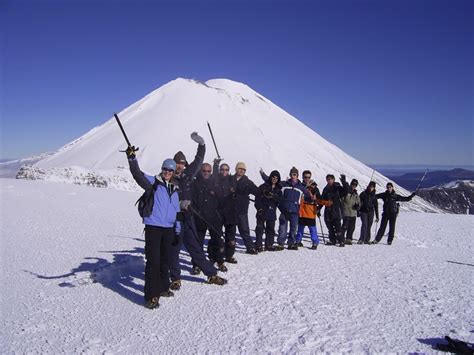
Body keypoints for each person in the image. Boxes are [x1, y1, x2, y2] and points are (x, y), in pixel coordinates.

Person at [126, 147, 180, 309]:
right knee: (153, 262)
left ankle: (163, 288)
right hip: (154, 228)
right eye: (165, 169)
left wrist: (177, 230)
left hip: (169, 229)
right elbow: (137, 174)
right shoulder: (153, 183)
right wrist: (132, 159)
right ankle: (151, 295)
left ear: (174, 172)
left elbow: (177, 212)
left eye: (170, 170)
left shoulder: (175, 189)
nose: (167, 172)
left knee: (165, 260)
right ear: (161, 169)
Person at [171, 132, 227, 286]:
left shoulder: (188, 175)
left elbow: (198, 160)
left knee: (196, 248)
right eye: (177, 163)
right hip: (174, 221)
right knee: (174, 251)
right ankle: (175, 278)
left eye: (182, 163)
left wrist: (202, 145)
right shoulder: (168, 177)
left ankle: (211, 274)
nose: (180, 166)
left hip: (188, 218)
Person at [192, 163, 226, 272]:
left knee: (217, 240)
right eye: (204, 171)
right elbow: (192, 199)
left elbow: (222, 198)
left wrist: (216, 193)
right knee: (198, 243)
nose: (206, 173)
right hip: (200, 217)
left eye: (208, 171)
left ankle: (219, 260)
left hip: (213, 216)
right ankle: (197, 264)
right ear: (201, 171)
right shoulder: (195, 183)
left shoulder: (215, 182)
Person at [276, 167, 311, 250]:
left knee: (293, 229)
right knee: (282, 228)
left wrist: (312, 197)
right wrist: (262, 174)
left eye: (295, 174)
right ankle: (281, 243)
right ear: (290, 175)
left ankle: (291, 243)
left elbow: (308, 196)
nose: (293, 176)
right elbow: (273, 180)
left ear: (297, 175)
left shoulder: (301, 187)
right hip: (284, 211)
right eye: (292, 174)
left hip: (295, 211)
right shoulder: (284, 184)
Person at [295, 170, 331, 249]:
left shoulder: (314, 188)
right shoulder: (300, 186)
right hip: (302, 210)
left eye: (308, 177)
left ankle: (315, 242)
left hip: (311, 210)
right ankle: (298, 241)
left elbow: (320, 199)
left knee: (312, 229)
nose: (307, 178)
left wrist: (319, 208)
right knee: (300, 228)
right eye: (305, 177)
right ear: (302, 177)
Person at [213, 160, 239, 264]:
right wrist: (215, 164)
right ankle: (216, 255)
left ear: (229, 171)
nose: (224, 171)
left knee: (231, 237)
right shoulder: (216, 179)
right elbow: (213, 174)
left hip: (230, 212)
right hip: (218, 211)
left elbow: (237, 190)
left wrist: (233, 191)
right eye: (222, 169)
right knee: (217, 236)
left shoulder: (232, 179)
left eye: (226, 170)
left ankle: (229, 255)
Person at [232, 162, 259, 254]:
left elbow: (257, 191)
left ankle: (250, 247)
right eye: (240, 169)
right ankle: (229, 248)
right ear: (236, 169)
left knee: (244, 230)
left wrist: (265, 192)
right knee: (230, 231)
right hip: (230, 210)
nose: (241, 171)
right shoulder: (230, 179)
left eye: (243, 170)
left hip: (242, 210)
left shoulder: (248, 182)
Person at [254, 170, 282, 252]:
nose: (274, 179)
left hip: (271, 211)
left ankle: (269, 244)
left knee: (270, 229)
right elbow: (257, 199)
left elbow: (279, 200)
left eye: (276, 178)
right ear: (270, 177)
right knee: (260, 228)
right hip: (262, 210)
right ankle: (258, 245)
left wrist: (273, 196)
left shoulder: (278, 189)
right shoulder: (263, 186)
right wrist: (259, 208)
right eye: (273, 177)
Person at [321, 174, 348, 247]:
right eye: (327, 179)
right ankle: (332, 240)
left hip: (336, 210)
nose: (329, 181)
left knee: (338, 227)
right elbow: (322, 200)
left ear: (333, 179)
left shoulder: (337, 188)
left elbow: (346, 191)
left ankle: (341, 241)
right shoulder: (325, 189)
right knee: (329, 227)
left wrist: (344, 182)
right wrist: (318, 209)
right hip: (328, 211)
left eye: (330, 179)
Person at [340, 178, 361, 245]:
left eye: (355, 184)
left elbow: (359, 202)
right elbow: (342, 200)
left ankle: (349, 238)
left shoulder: (356, 193)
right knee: (344, 226)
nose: (354, 185)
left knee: (352, 227)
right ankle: (341, 238)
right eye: (353, 184)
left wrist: (357, 206)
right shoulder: (346, 191)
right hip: (346, 212)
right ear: (351, 183)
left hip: (353, 213)